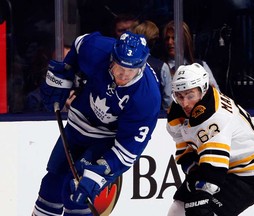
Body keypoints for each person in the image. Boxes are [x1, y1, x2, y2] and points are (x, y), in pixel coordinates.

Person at [32, 31, 161, 216]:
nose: (123, 75)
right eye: (119, 68)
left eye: (130, 71)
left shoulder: (147, 98)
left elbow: (129, 150)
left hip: (106, 139)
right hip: (77, 124)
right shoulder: (97, 49)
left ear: (141, 66)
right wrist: (66, 71)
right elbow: (78, 45)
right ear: (112, 58)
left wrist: (101, 171)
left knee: (75, 193)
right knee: (51, 185)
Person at [166, 63, 254, 216]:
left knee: (201, 211)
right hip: (224, 162)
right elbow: (186, 151)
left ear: (203, 90)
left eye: (190, 95)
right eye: (180, 95)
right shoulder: (178, 112)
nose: (185, 103)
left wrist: (201, 192)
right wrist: (193, 173)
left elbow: (213, 172)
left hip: (250, 172)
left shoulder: (215, 117)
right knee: (177, 208)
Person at [161, 20, 219, 90]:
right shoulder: (160, 68)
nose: (169, 42)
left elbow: (216, 94)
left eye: (174, 38)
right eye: (167, 38)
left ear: (185, 40)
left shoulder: (201, 66)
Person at [132, 20, 172, 112]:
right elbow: (168, 102)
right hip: (156, 118)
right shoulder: (162, 67)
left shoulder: (123, 64)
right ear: (154, 41)